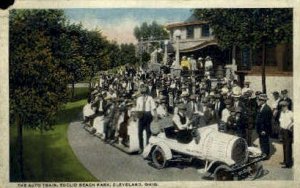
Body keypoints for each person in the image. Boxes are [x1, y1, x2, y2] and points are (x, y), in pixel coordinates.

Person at [135, 84, 157, 154]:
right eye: (142, 93)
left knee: (148, 133)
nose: (143, 94)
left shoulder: (150, 98)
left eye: (145, 92)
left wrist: (155, 118)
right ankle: (141, 147)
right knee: (139, 133)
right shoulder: (138, 99)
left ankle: (147, 149)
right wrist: (136, 117)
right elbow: (137, 109)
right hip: (141, 115)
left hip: (148, 115)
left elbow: (154, 108)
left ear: (147, 92)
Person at [255, 93, 273, 160]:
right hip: (260, 129)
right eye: (259, 99)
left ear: (263, 101)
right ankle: (263, 154)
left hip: (264, 129)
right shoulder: (261, 107)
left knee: (265, 142)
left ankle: (265, 155)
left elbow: (267, 121)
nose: (258, 101)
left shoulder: (266, 109)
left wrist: (264, 130)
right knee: (262, 142)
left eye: (260, 100)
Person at [279, 101, 293, 168]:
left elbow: (295, 121)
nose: (282, 108)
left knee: (288, 147)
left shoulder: (290, 113)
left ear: (286, 106)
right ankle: (285, 161)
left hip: (288, 131)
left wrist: (290, 126)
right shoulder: (282, 113)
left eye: (283, 106)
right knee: (284, 146)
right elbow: (280, 121)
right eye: (281, 106)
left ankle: (288, 163)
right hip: (283, 131)